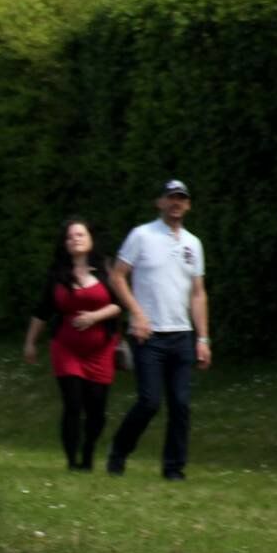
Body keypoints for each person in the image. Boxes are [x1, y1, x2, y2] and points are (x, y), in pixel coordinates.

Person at [105, 179, 211, 480]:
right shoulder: (142, 235)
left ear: (188, 205)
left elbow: (198, 293)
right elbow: (118, 276)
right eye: (171, 198)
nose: (176, 203)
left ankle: (174, 468)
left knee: (181, 404)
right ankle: (119, 450)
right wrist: (137, 314)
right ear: (160, 202)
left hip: (181, 334)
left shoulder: (193, 244)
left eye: (182, 198)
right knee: (150, 401)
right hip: (148, 333)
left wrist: (203, 338)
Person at [22, 218, 122, 471]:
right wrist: (30, 342)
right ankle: (71, 462)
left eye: (80, 234)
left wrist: (94, 317)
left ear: (90, 240)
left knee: (97, 410)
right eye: (70, 236)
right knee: (73, 405)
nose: (75, 239)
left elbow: (119, 304)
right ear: (65, 244)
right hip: (66, 349)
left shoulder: (106, 271)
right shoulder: (57, 275)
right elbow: (42, 310)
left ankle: (88, 453)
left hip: (100, 350)